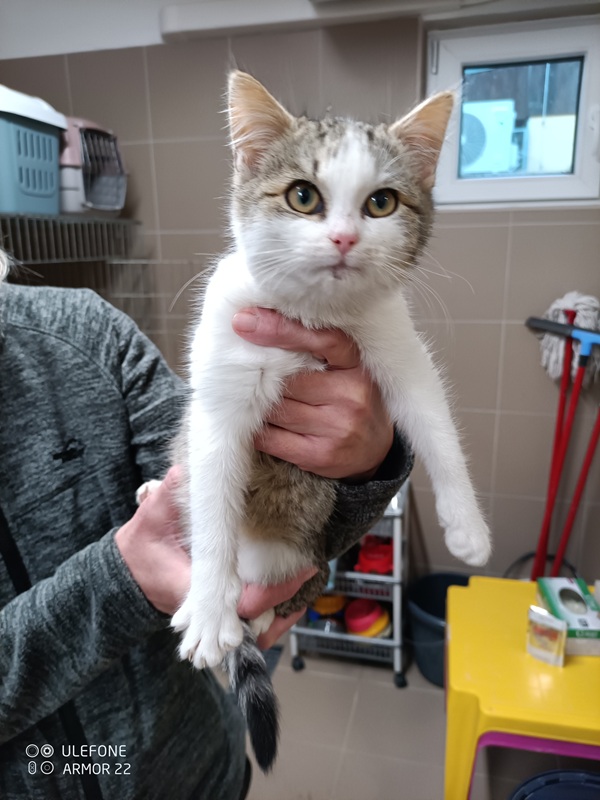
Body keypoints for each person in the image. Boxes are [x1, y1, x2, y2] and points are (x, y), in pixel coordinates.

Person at [0, 252, 413, 800]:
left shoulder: (86, 332)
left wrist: (363, 466)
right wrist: (122, 583)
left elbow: (233, 480)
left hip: (201, 764)